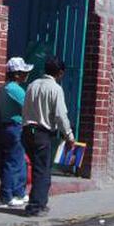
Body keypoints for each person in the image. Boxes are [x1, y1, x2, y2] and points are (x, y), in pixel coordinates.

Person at [21, 57, 75, 217]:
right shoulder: (55, 89)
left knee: (35, 167)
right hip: (42, 133)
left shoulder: (32, 85)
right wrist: (69, 136)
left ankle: (36, 202)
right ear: (60, 73)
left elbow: (25, 108)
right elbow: (60, 116)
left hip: (28, 131)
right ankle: (36, 206)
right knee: (42, 170)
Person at [0, 57, 32, 208]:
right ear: (16, 74)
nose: (26, 74)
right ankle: (6, 195)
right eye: (23, 72)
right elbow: (28, 107)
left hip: (9, 127)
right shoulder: (14, 89)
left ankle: (18, 192)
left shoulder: (6, 88)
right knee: (13, 162)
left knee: (18, 161)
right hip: (14, 127)